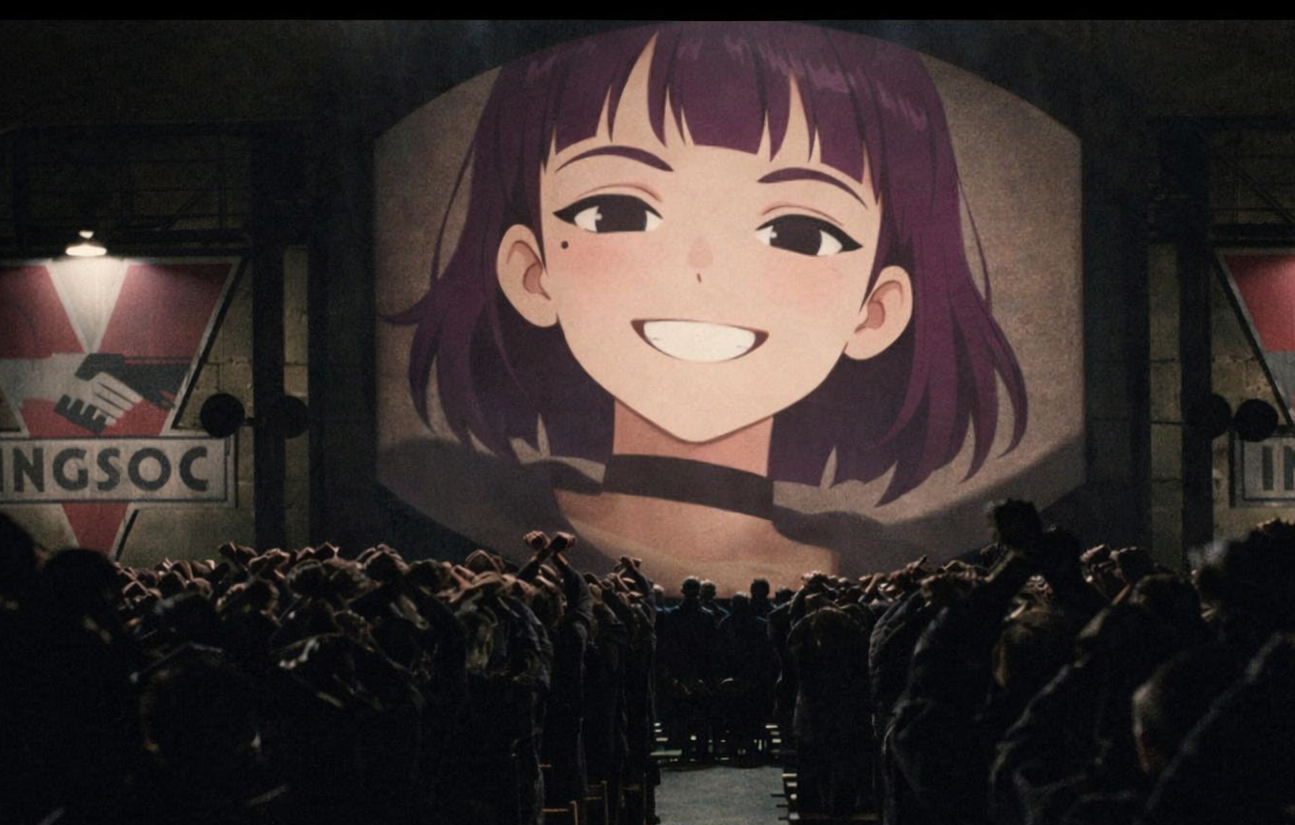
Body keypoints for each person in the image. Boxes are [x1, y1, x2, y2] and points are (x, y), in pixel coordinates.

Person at [393, 22, 1027, 590]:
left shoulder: (896, 572)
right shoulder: (458, 506)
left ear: (877, 309)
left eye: (801, 232)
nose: (702, 263)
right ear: (531, 272)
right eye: (615, 211)